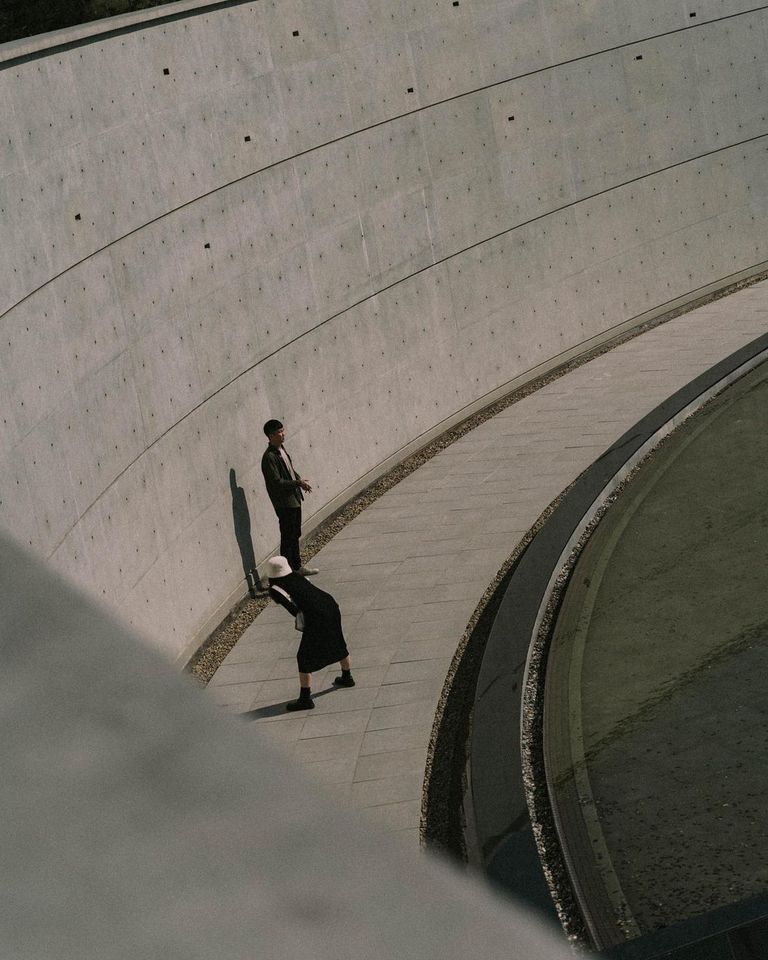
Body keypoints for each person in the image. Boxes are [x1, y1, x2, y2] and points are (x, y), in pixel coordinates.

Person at [265, 556, 354, 711]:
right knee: (338, 641)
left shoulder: (275, 589)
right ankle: (347, 677)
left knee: (303, 656)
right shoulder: (297, 576)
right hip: (330, 605)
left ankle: (305, 699)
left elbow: (293, 609)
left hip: (317, 615)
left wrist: (303, 621)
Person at [260, 419, 318, 577]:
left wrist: (300, 482)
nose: (283, 434)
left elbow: (290, 471)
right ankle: (286, 574)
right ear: (271, 436)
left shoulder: (281, 450)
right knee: (288, 537)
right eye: (279, 432)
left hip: (294, 499)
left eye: (282, 430)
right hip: (284, 503)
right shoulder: (269, 457)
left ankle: (296, 567)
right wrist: (297, 483)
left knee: (295, 534)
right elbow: (277, 482)